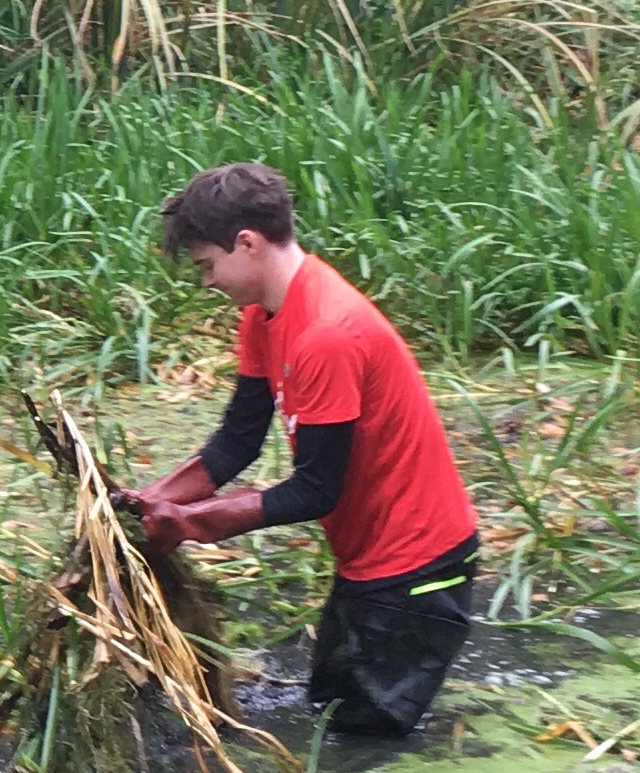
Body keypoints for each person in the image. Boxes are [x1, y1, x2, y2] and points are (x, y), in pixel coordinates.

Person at [134, 163, 482, 742]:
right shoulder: (262, 318)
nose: (207, 282)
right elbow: (237, 441)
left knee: (359, 743)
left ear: (246, 243)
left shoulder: (327, 333)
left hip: (420, 568)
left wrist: (192, 525)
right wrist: (147, 501)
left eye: (207, 265)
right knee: (329, 715)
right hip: (366, 563)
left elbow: (317, 488)